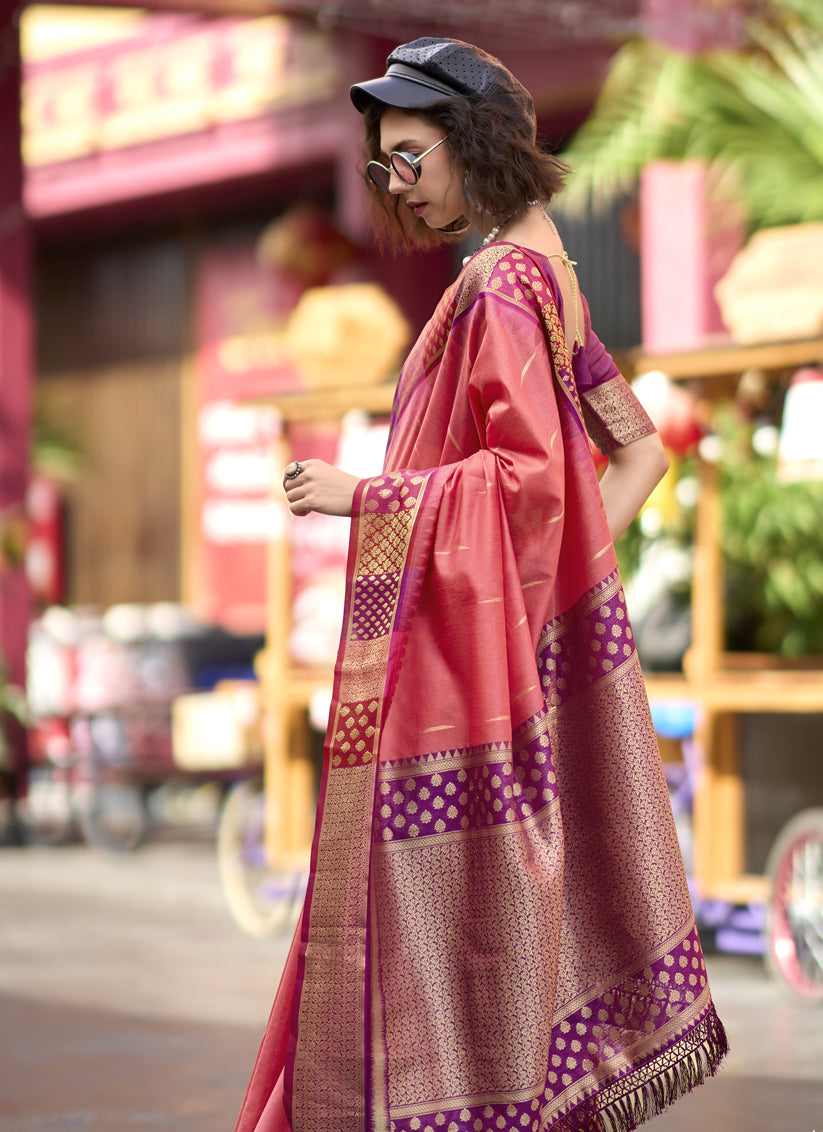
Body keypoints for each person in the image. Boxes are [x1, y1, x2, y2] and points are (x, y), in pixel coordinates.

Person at [234, 37, 728, 1132]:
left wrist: (367, 495)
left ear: (472, 139)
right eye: (382, 168)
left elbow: (522, 481)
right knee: (489, 922)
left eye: (407, 158)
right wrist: (564, 584)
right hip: (512, 642)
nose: (397, 187)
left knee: (420, 931)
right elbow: (635, 453)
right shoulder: (547, 270)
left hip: (461, 670)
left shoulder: (501, 286)